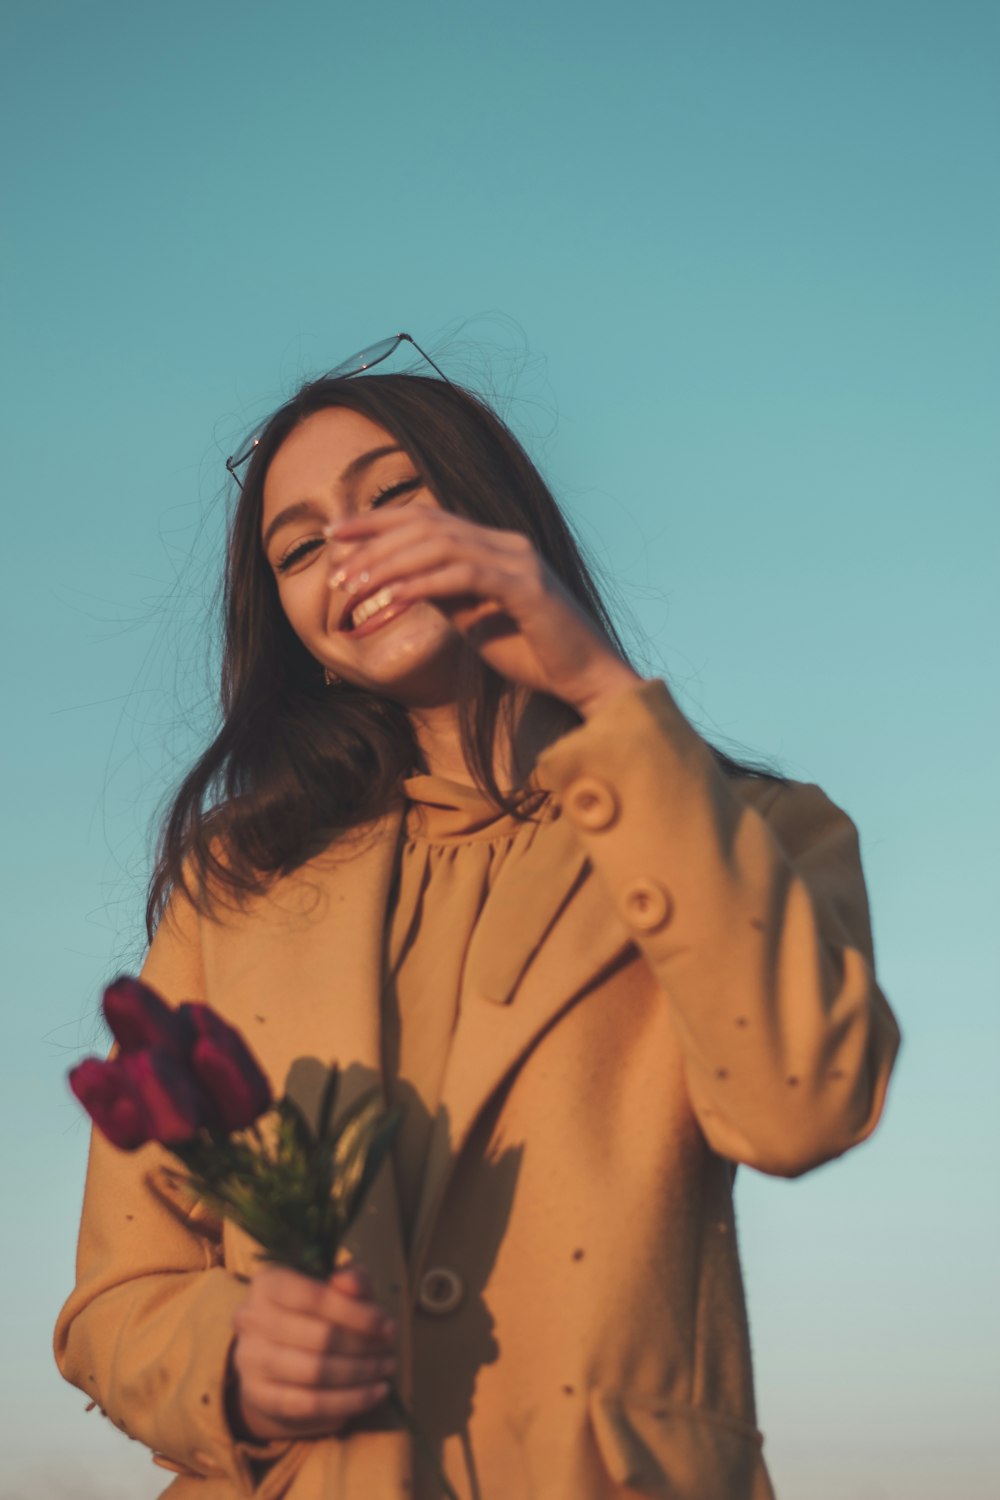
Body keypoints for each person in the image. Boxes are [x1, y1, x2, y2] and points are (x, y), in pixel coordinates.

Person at [54, 342, 901, 1500]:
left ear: (502, 521)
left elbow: (801, 1106)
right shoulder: (236, 885)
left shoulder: (753, 831)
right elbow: (118, 1300)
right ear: (297, 629)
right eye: (297, 548)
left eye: (392, 492)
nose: (347, 548)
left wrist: (603, 693)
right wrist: (234, 1356)